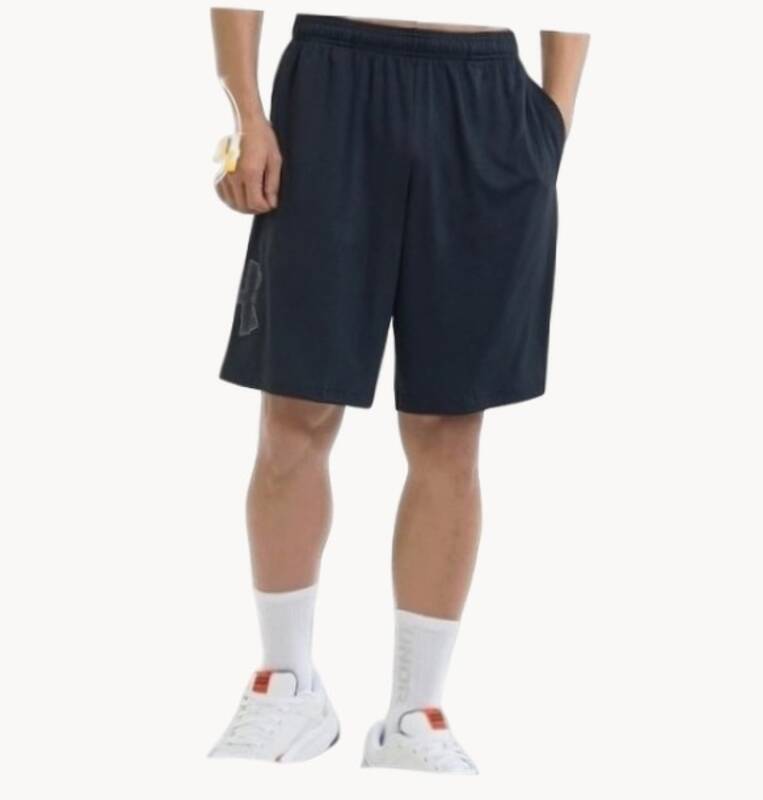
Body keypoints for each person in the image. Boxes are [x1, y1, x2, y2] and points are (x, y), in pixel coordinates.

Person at [207, 9, 590, 774]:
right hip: (334, 77)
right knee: (297, 408)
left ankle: (415, 715)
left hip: (485, 94)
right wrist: (246, 108)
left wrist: (554, 120)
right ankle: (288, 683)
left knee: (450, 427)